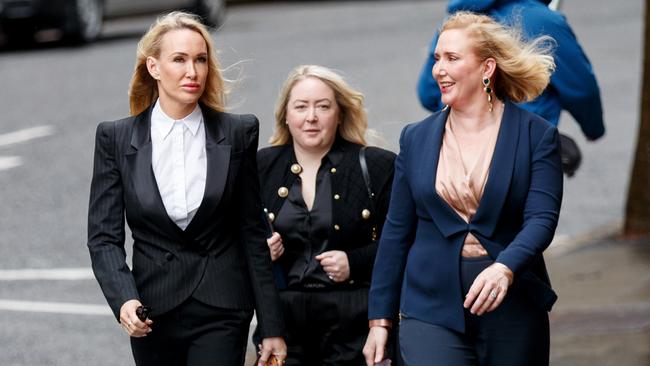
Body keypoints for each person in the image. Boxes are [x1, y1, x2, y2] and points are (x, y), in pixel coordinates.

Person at [87, 12, 286, 366]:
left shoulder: (238, 132)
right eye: (179, 59)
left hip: (223, 305)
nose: (192, 72)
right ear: (154, 67)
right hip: (152, 310)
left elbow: (252, 232)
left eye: (200, 59)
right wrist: (124, 299)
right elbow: (103, 237)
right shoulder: (115, 138)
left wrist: (270, 326)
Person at [364, 11, 562, 366]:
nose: (439, 69)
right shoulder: (416, 137)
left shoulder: (536, 135)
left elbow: (541, 220)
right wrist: (379, 319)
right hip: (429, 308)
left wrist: (505, 268)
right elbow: (396, 232)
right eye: (437, 58)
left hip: (511, 306)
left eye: (452, 58)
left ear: (487, 68)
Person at [256, 65, 397, 365]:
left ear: (340, 114)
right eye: (301, 107)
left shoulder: (376, 165)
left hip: (353, 318)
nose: (311, 117)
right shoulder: (260, 168)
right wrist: (259, 252)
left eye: (323, 106)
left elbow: (398, 243)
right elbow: (231, 242)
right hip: (284, 322)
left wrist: (354, 262)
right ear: (285, 115)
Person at [417, 0, 605, 142]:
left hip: (459, 143)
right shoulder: (544, 21)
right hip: (524, 142)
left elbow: (428, 93)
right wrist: (593, 129)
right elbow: (581, 90)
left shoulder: (454, 22)